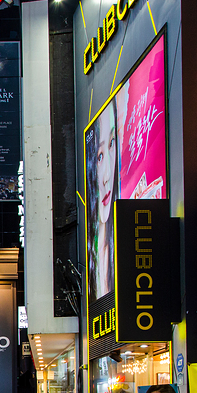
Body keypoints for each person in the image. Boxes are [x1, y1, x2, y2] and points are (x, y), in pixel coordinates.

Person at [85, 102, 119, 302]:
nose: (107, 175)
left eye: (112, 143)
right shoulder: (92, 261)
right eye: (99, 156)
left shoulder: (125, 245)